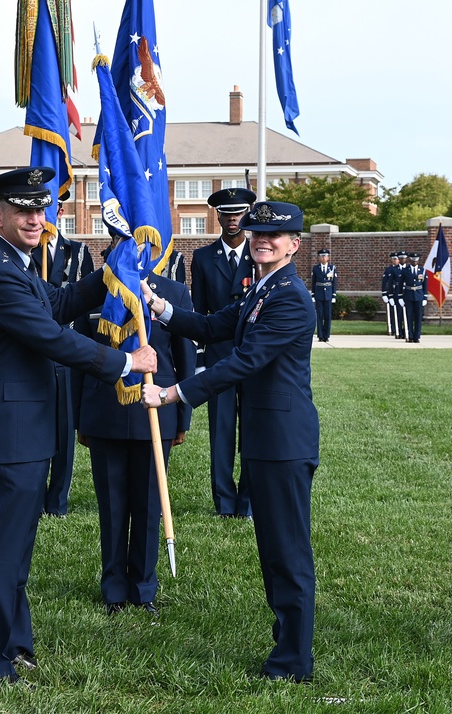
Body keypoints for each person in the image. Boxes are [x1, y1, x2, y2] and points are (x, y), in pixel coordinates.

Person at [0, 166, 156, 687]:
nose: (34, 218)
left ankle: (11, 645)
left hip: (25, 429)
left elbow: (62, 303)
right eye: (22, 209)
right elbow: (53, 337)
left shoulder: (15, 263)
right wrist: (124, 364)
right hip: (13, 432)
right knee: (2, 552)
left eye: (40, 209)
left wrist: (113, 268)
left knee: (15, 548)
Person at [140, 200, 319, 684]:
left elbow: (244, 361)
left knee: (288, 553)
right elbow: (214, 325)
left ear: (294, 245)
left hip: (284, 441)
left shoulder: (290, 297)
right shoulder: (262, 288)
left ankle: (293, 662)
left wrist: (174, 392)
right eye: (257, 231)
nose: (262, 239)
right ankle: (286, 647)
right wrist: (161, 307)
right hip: (265, 439)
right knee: (273, 551)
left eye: (274, 236)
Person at [75, 232, 195, 616]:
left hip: (155, 412)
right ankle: (113, 588)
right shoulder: (94, 291)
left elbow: (184, 358)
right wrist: (81, 416)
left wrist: (183, 418)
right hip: (105, 411)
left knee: (147, 505)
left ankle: (143, 587)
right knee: (111, 506)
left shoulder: (172, 293)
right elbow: (78, 356)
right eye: (121, 242)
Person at [190, 186, 256, 518]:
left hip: (254, 356)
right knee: (221, 431)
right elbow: (200, 313)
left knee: (253, 432)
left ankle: (247, 501)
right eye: (226, 214)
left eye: (239, 213)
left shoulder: (260, 254)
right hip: (218, 356)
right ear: (217, 216)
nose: (233, 220)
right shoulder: (202, 258)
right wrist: (201, 360)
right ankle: (224, 501)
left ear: (248, 214)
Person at [31, 189, 95, 517]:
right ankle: (34, 494)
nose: (44, 213)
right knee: (36, 424)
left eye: (50, 206)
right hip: (32, 349)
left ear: (60, 208)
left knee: (65, 428)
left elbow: (83, 306)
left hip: (68, 346)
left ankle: (57, 501)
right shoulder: (24, 252)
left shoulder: (78, 251)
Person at [310, 249, 337, 342]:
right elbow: (313, 282)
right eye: (321, 256)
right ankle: (320, 335)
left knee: (328, 316)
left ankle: (327, 335)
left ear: (328, 257)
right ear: (319, 258)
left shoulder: (332, 268)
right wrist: (313, 294)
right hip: (319, 294)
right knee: (320, 315)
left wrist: (334, 295)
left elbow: (334, 282)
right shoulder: (316, 268)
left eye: (325, 256)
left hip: (328, 294)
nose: (323, 258)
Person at [400, 252, 427, 343]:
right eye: (413, 260)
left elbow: (425, 285)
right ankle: (410, 335)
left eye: (416, 260)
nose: (415, 262)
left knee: (418, 317)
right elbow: (400, 284)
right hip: (408, 295)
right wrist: (400, 297)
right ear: (410, 260)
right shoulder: (405, 270)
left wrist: (425, 297)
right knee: (409, 316)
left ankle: (417, 336)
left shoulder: (422, 270)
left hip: (419, 295)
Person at [380, 252, 400, 337]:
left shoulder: (402, 269)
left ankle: (399, 329)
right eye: (393, 259)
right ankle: (391, 328)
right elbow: (385, 282)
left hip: (400, 293)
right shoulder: (388, 270)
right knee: (391, 312)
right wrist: (384, 293)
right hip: (391, 293)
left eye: (396, 259)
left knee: (400, 312)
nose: (395, 261)